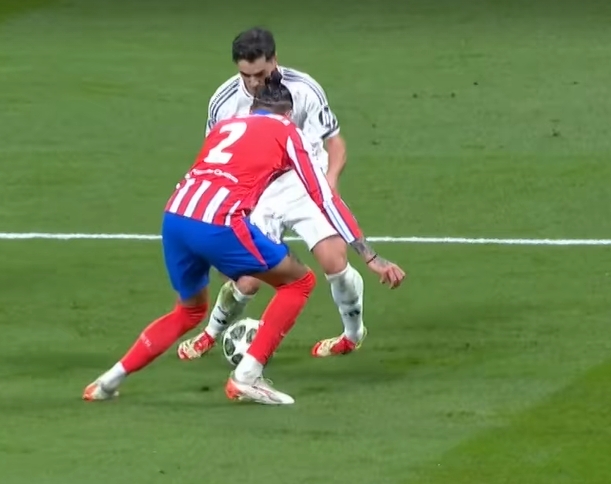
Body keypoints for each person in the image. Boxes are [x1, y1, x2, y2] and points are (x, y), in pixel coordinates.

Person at [83, 74, 404, 405]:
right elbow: (323, 197)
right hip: (219, 224)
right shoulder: (287, 130)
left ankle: (107, 382)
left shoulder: (225, 126)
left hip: (176, 217)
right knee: (298, 282)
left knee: (188, 311)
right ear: (288, 114)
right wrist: (370, 256)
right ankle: (247, 377)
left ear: (253, 108)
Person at [178, 27, 391, 361]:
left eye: (260, 73)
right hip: (258, 192)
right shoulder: (223, 101)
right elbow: (215, 157)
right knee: (247, 279)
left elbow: (335, 142)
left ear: (274, 60)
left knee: (334, 262)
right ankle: (211, 333)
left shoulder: (304, 90)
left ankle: (352, 335)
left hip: (306, 183)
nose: (253, 83)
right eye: (245, 75)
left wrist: (330, 182)